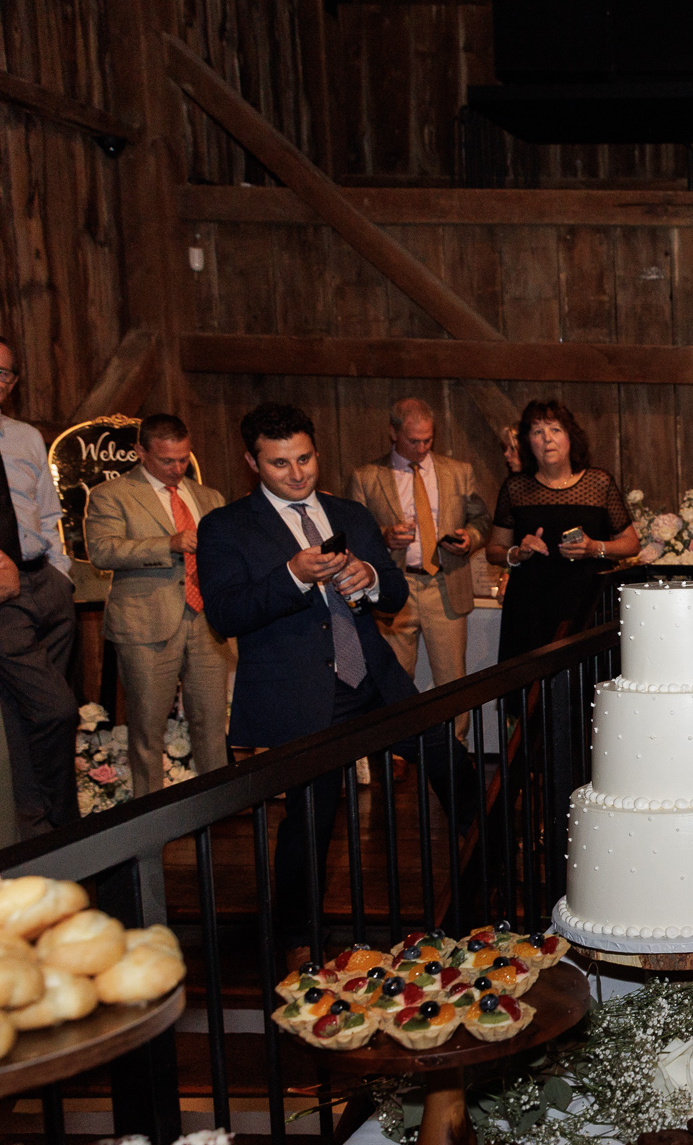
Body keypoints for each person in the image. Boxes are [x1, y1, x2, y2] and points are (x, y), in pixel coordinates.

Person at [199, 403, 465, 963]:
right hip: (298, 689)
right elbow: (225, 615)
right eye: (279, 465)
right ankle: (298, 939)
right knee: (310, 818)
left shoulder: (350, 512)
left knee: (451, 764)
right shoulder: (226, 526)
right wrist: (292, 576)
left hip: (374, 677)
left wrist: (370, 579)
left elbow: (393, 593)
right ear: (253, 463)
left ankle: (486, 888)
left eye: (305, 459)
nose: (297, 474)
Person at [83, 414, 230, 797]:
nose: (177, 468)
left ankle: (217, 805)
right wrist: (168, 543)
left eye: (183, 458)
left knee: (212, 724)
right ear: (140, 452)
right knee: (147, 728)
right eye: (167, 460)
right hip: (146, 624)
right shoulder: (111, 495)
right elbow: (102, 550)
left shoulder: (209, 497)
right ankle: (149, 816)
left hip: (206, 621)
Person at [347, 399, 492, 718]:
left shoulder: (458, 472)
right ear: (393, 433)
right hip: (394, 587)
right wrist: (384, 536)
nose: (423, 447)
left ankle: (455, 756)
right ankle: (398, 760)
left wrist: (469, 538)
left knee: (453, 682)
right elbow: (353, 536)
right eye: (414, 441)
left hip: (445, 584)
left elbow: (481, 520)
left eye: (429, 439)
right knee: (394, 681)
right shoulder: (367, 476)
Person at [485, 401, 639, 661]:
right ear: (527, 442)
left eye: (555, 430)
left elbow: (631, 544)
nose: (547, 439)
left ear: (570, 437)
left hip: (587, 604)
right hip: (530, 607)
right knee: (533, 688)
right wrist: (517, 553)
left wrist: (595, 548)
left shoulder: (599, 483)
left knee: (586, 683)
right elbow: (493, 551)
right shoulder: (515, 488)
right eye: (537, 432)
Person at [0, 337, 80, 836]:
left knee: (23, 711)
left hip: (46, 584)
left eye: (6, 373)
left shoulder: (26, 437)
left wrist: (62, 575)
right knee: (57, 710)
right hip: (4, 600)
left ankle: (34, 825)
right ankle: (59, 819)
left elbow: (50, 513)